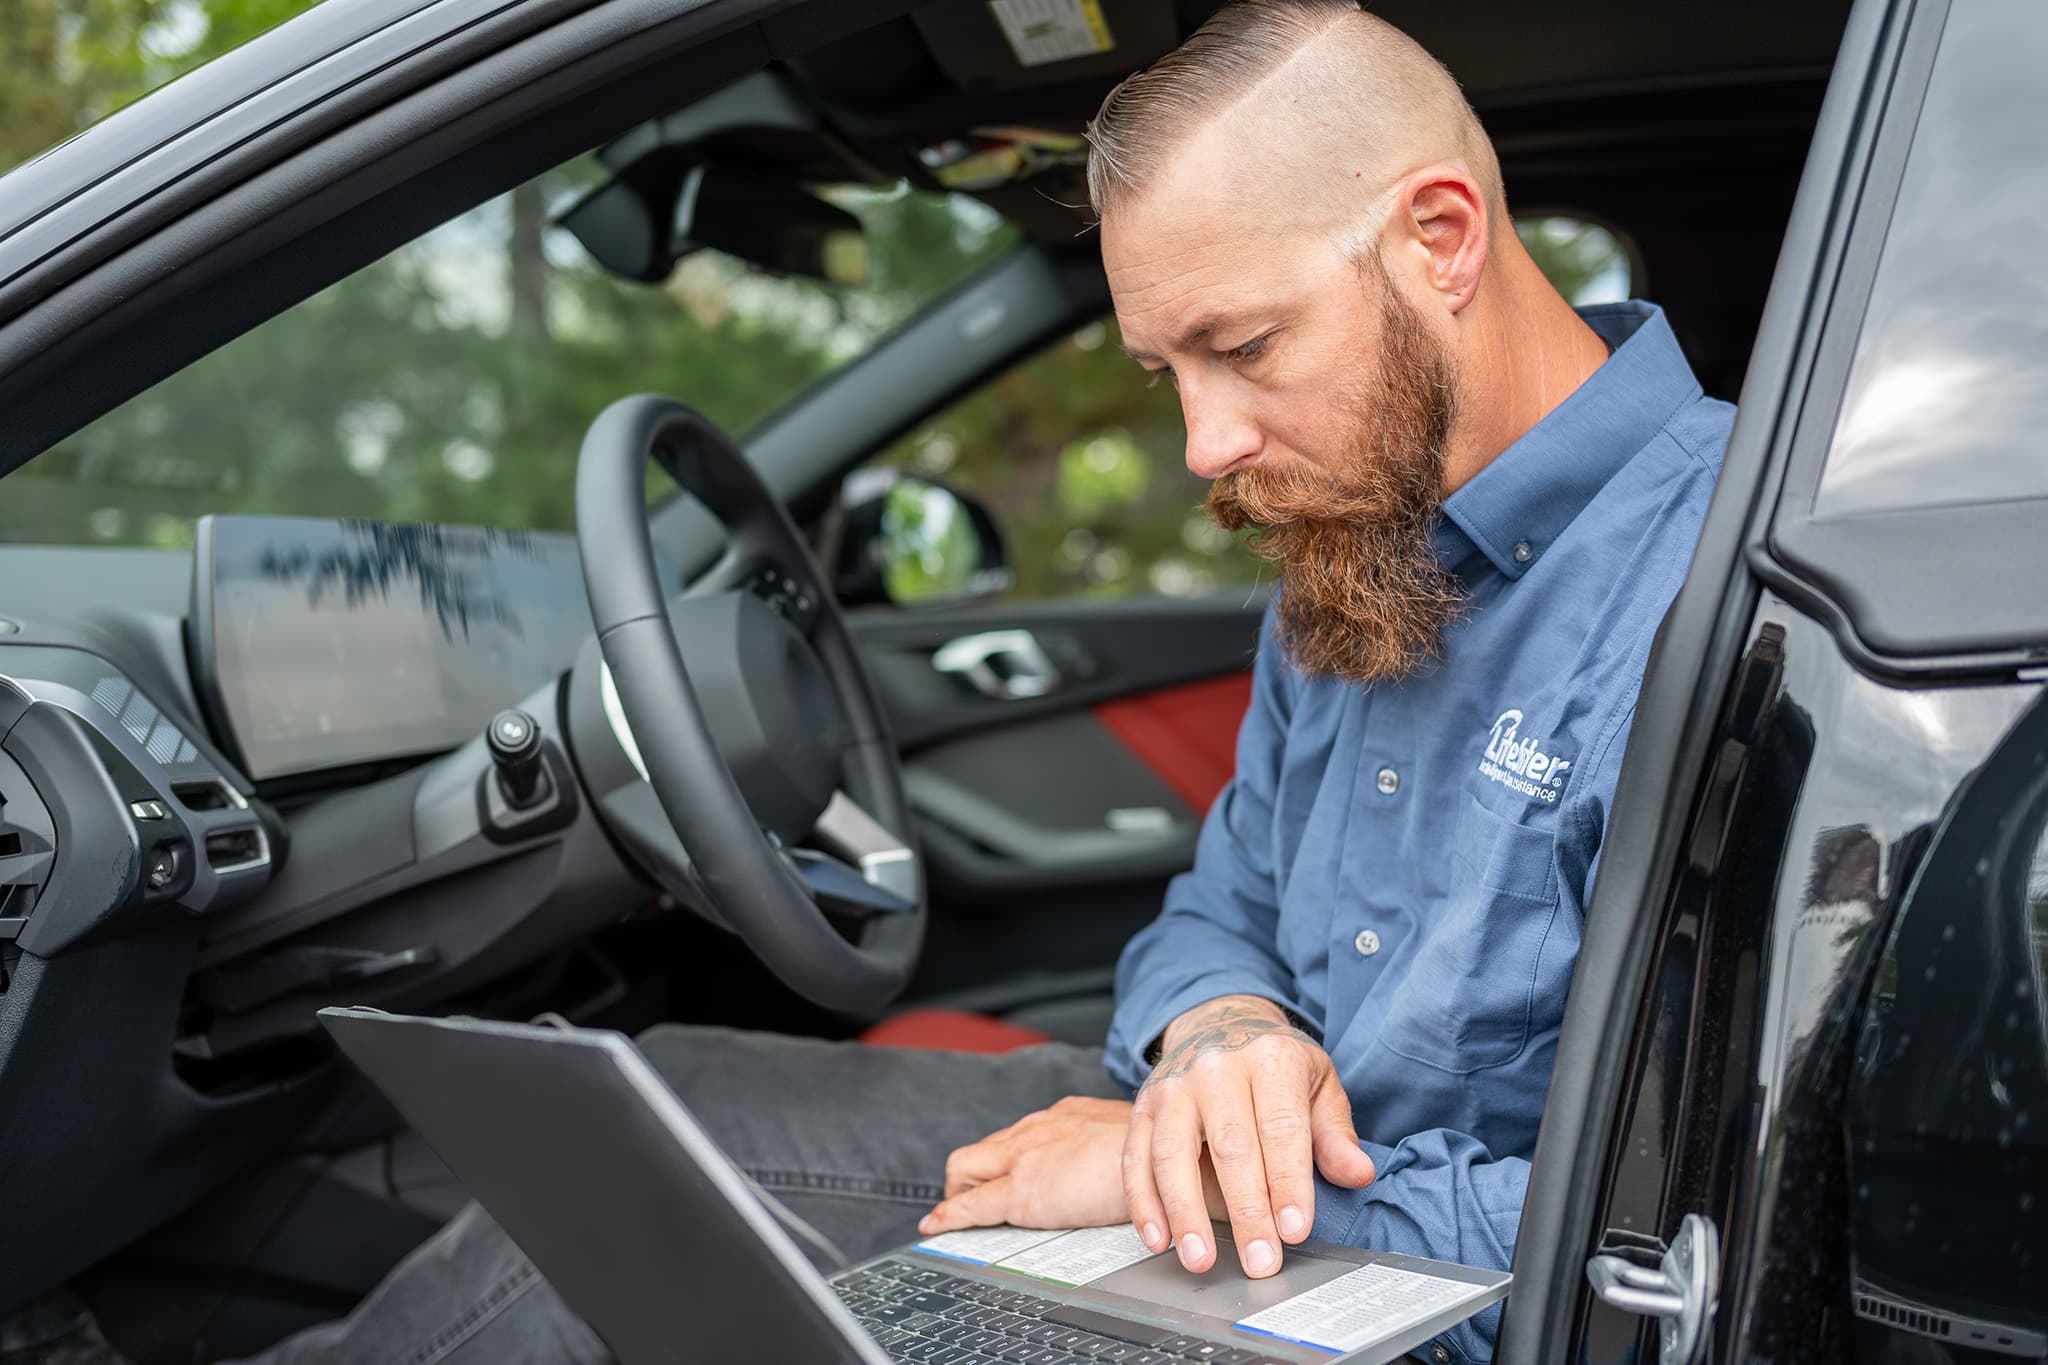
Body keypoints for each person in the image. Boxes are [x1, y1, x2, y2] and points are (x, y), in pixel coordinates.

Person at [225, 1, 1734, 1361]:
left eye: (1245, 344)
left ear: (1443, 238)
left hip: (1414, 1292)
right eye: (1168, 375)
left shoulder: (1731, 585)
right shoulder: (1352, 529)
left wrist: (1165, 1203)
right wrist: (1223, 1034)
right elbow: (1223, 906)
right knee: (643, 1140)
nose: (1206, 445)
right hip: (1224, 1199)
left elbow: (1663, 1231)